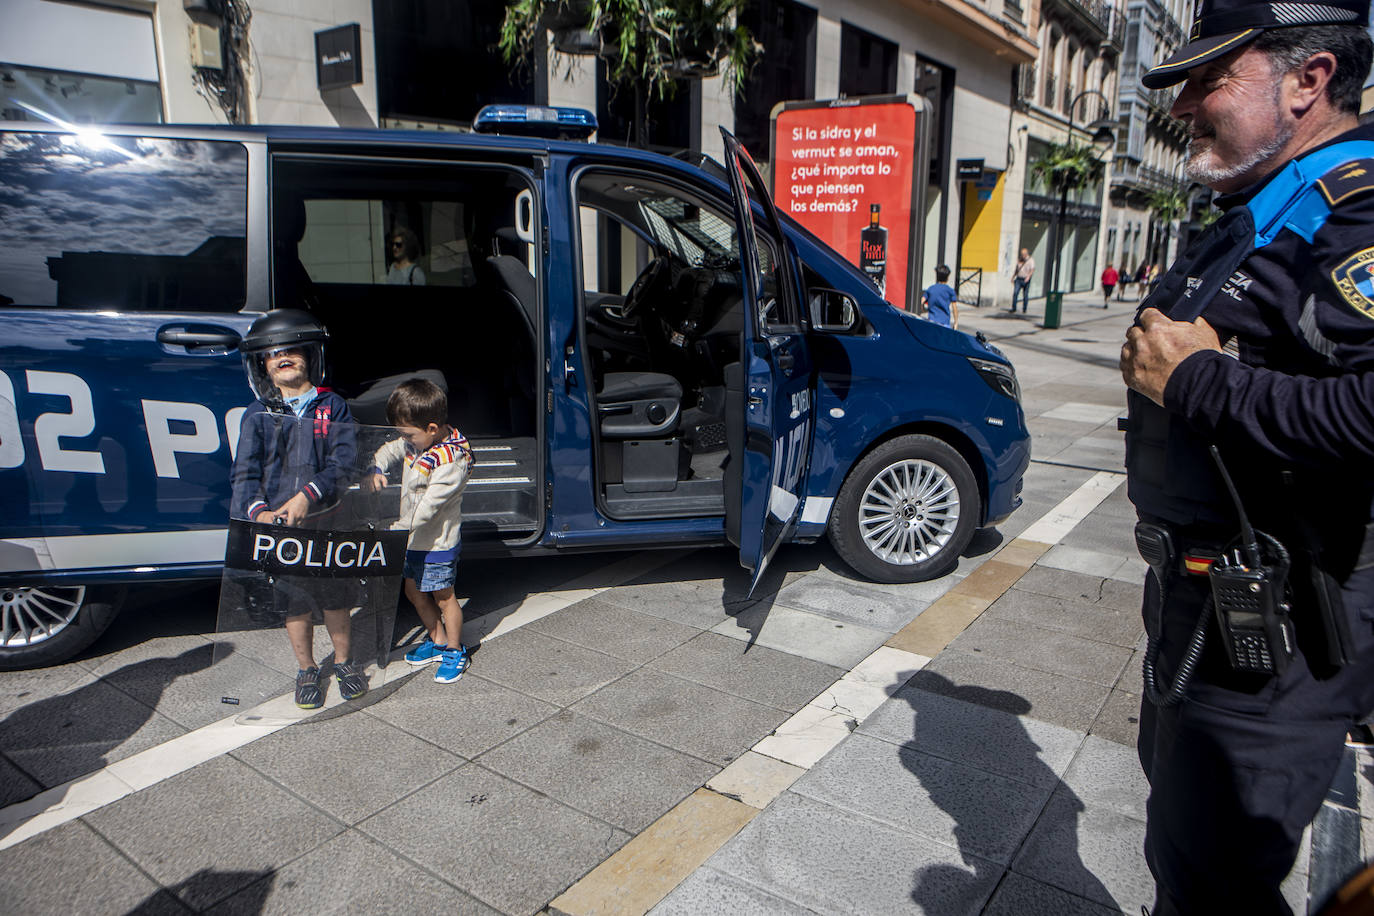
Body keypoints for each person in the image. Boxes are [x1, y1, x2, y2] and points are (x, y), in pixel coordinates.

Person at [1117, 0, 1374, 911]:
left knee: (1214, 881)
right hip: (1205, 604)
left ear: (1310, 80)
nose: (1186, 105)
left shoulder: (1356, 215)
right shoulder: (1261, 207)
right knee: (1183, 854)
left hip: (1279, 628)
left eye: (1211, 80)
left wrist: (1196, 384)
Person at [230, 310, 366, 709]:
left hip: (328, 520)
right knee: (294, 602)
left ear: (310, 357)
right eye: (274, 354)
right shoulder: (256, 415)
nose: (284, 357)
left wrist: (309, 494)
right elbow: (244, 475)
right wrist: (259, 514)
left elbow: (343, 462)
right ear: (263, 367)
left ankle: (344, 662)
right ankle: (306, 668)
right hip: (281, 530)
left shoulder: (332, 406)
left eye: (292, 351)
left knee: (335, 598)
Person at [368, 378, 474, 684]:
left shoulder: (450, 460)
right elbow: (390, 449)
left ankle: (455, 649)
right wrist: (377, 467)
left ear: (431, 428)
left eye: (408, 434)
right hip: (412, 539)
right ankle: (437, 639)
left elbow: (427, 510)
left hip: (436, 542)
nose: (404, 440)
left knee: (444, 596)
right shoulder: (417, 442)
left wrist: (395, 532)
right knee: (413, 591)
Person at [920, 265, 959, 329]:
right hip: (944, 323)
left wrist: (924, 309)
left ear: (937, 276)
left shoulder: (931, 289)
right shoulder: (950, 291)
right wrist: (955, 323)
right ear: (947, 277)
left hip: (931, 321)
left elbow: (922, 301)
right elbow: (954, 308)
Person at [1011, 248, 1034, 313]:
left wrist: (1028, 277)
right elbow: (1017, 269)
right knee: (1015, 293)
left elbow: (1032, 269)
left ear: (1027, 254)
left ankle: (1024, 309)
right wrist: (1013, 277)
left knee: (1025, 294)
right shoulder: (1019, 260)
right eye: (1022, 254)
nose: (1023, 255)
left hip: (1026, 279)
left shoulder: (1031, 260)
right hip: (1018, 278)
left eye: (1024, 254)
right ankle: (1014, 308)